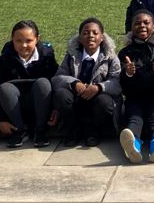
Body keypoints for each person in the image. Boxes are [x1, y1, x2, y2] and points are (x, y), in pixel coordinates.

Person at [52, 18, 121, 147]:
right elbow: (57, 78)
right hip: (76, 98)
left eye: (95, 33)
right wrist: (74, 83)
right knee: (61, 94)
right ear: (79, 38)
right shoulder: (71, 56)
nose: (90, 36)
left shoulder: (110, 57)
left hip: (97, 100)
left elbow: (117, 82)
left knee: (104, 102)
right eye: (85, 33)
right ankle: (73, 130)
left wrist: (98, 88)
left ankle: (93, 132)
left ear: (102, 38)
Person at [118, 10, 154, 164]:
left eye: (146, 22)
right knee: (134, 118)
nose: (141, 26)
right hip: (135, 96)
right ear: (131, 27)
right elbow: (122, 81)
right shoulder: (125, 52)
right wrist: (128, 72)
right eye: (137, 23)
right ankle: (133, 146)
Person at [0, 20, 58, 148]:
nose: (23, 45)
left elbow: (56, 81)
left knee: (44, 83)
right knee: (5, 88)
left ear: (37, 39)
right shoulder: (6, 58)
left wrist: (56, 108)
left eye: (28, 41)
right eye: (18, 41)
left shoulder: (47, 57)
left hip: (41, 107)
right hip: (15, 109)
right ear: (12, 40)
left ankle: (40, 131)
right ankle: (20, 131)